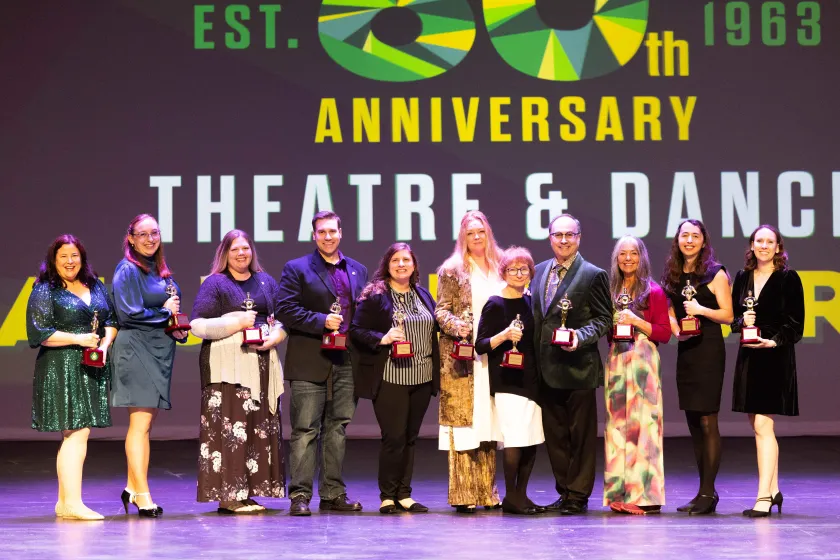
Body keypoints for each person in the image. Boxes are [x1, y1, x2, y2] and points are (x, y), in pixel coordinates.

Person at [276, 211, 368, 516]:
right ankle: (300, 495)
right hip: (309, 360)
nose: (328, 237)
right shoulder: (297, 268)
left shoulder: (358, 270)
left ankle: (332, 493)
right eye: (321, 232)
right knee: (305, 429)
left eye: (332, 231)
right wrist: (321, 321)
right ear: (314, 236)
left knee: (338, 427)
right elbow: (286, 309)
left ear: (341, 232)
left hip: (346, 361)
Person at [189, 230, 287, 514]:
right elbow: (197, 325)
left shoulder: (266, 282)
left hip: (261, 366)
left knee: (256, 429)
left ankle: (247, 492)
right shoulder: (215, 284)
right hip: (227, 370)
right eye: (235, 250)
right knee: (231, 430)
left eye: (245, 248)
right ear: (225, 254)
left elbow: (280, 318)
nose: (242, 254)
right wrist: (236, 323)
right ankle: (229, 496)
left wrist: (278, 335)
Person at [26, 235, 118, 520]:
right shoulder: (45, 290)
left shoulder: (95, 285)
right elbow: (40, 333)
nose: (70, 261)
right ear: (54, 260)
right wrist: (79, 339)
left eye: (74, 255)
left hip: (92, 365)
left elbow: (111, 321)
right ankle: (73, 503)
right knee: (76, 432)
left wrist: (102, 346)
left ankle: (65, 502)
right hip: (60, 365)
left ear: (83, 258)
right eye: (63, 256)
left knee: (78, 432)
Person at [349, 243, 439, 514]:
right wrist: (383, 338)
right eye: (396, 260)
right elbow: (356, 330)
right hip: (391, 376)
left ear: (414, 265)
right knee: (394, 437)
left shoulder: (423, 294)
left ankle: (404, 493)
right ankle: (387, 495)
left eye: (406, 260)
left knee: (411, 437)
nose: (401, 265)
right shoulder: (375, 294)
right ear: (387, 265)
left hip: (422, 376)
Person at [532, 214, 611, 515]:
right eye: (557, 235)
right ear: (550, 237)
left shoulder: (593, 274)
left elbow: (604, 318)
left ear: (579, 237)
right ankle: (564, 491)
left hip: (579, 367)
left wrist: (579, 336)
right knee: (555, 437)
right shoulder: (538, 271)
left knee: (580, 437)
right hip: (546, 369)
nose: (563, 240)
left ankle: (578, 495)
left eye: (569, 235)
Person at [111, 214, 189, 517]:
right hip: (135, 349)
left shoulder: (161, 272)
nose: (149, 239)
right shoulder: (127, 269)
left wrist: (176, 327)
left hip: (159, 350)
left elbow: (171, 309)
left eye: (154, 233)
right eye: (142, 234)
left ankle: (131, 487)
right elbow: (128, 313)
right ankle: (143, 494)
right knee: (140, 425)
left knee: (146, 425)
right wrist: (164, 312)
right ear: (131, 238)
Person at [730, 225, 804, 518]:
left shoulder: (788, 278)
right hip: (749, 356)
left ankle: (763, 497)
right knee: (759, 425)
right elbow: (734, 320)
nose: (763, 245)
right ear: (752, 245)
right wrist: (741, 321)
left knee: (763, 425)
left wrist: (772, 341)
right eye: (758, 241)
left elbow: (796, 324)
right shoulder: (742, 276)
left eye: (769, 241)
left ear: (777, 247)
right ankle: (773, 490)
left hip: (774, 355)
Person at [662, 219, 733, 515]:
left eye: (695, 236)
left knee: (708, 421)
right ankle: (702, 490)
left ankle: (708, 492)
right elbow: (668, 305)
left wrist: (701, 310)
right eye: (684, 235)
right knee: (693, 422)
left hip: (709, 350)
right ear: (677, 240)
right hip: (687, 350)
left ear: (704, 241)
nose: (689, 240)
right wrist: (675, 326)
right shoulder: (674, 274)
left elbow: (729, 315)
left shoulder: (716, 273)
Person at [435, 210, 504, 513]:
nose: (476, 237)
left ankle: (487, 491)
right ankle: (463, 493)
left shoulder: (501, 266)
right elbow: (441, 311)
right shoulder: (453, 269)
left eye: (481, 231)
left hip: (495, 354)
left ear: (488, 233)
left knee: (489, 424)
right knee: (465, 424)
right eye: (470, 232)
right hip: (464, 359)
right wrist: (457, 327)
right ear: (462, 237)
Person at [603, 236, 670, 515]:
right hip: (618, 359)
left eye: (633, 254)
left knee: (645, 428)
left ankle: (646, 495)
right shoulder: (611, 292)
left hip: (643, 361)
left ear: (642, 257)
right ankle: (619, 492)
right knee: (617, 428)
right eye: (622, 254)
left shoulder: (653, 291)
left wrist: (636, 321)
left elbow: (664, 333)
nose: (628, 258)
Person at [475, 246, 545, 515]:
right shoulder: (495, 303)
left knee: (531, 439)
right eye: (513, 269)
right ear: (503, 272)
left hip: (532, 379)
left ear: (530, 273)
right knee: (515, 439)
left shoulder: (531, 301)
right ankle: (511, 496)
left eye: (524, 269)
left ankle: (522, 495)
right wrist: (504, 336)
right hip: (508, 380)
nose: (518, 273)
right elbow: (480, 345)